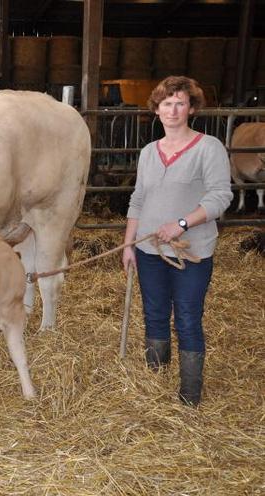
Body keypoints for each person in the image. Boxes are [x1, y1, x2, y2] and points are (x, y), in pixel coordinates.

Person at [122, 76, 233, 407]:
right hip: (149, 249)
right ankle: (155, 383)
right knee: (154, 313)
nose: (172, 110)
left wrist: (182, 224)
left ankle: (189, 395)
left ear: (192, 108)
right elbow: (138, 200)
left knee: (186, 315)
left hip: (192, 251)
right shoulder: (148, 152)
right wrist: (129, 244)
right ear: (157, 110)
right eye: (166, 103)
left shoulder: (208, 147)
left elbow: (221, 196)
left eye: (180, 103)